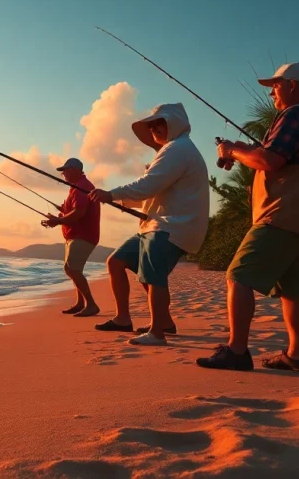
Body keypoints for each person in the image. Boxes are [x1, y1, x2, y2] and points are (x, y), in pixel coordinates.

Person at [197, 63, 299, 373]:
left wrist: (233, 151)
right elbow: (283, 158)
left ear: (292, 85)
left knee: (238, 274)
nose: (272, 91)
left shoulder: (295, 115)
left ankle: (236, 351)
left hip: (283, 214)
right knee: (291, 287)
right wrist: (243, 149)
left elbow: (271, 160)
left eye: (276, 84)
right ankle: (297, 356)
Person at [89, 103, 209, 346]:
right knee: (116, 262)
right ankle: (130, 319)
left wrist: (110, 194)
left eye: (160, 123)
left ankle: (157, 332)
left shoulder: (178, 149)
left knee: (153, 275)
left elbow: (148, 185)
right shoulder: (172, 150)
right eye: (151, 125)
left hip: (172, 225)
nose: (154, 128)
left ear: (174, 123)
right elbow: (150, 191)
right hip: (156, 224)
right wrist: (116, 197)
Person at [41, 158, 102, 317]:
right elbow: (75, 210)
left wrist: (58, 220)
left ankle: (91, 304)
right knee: (75, 270)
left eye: (65, 170)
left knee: (71, 269)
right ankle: (81, 303)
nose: (63, 174)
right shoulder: (76, 188)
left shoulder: (82, 187)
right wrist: (61, 214)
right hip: (75, 235)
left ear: (75, 169)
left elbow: (79, 213)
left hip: (83, 235)